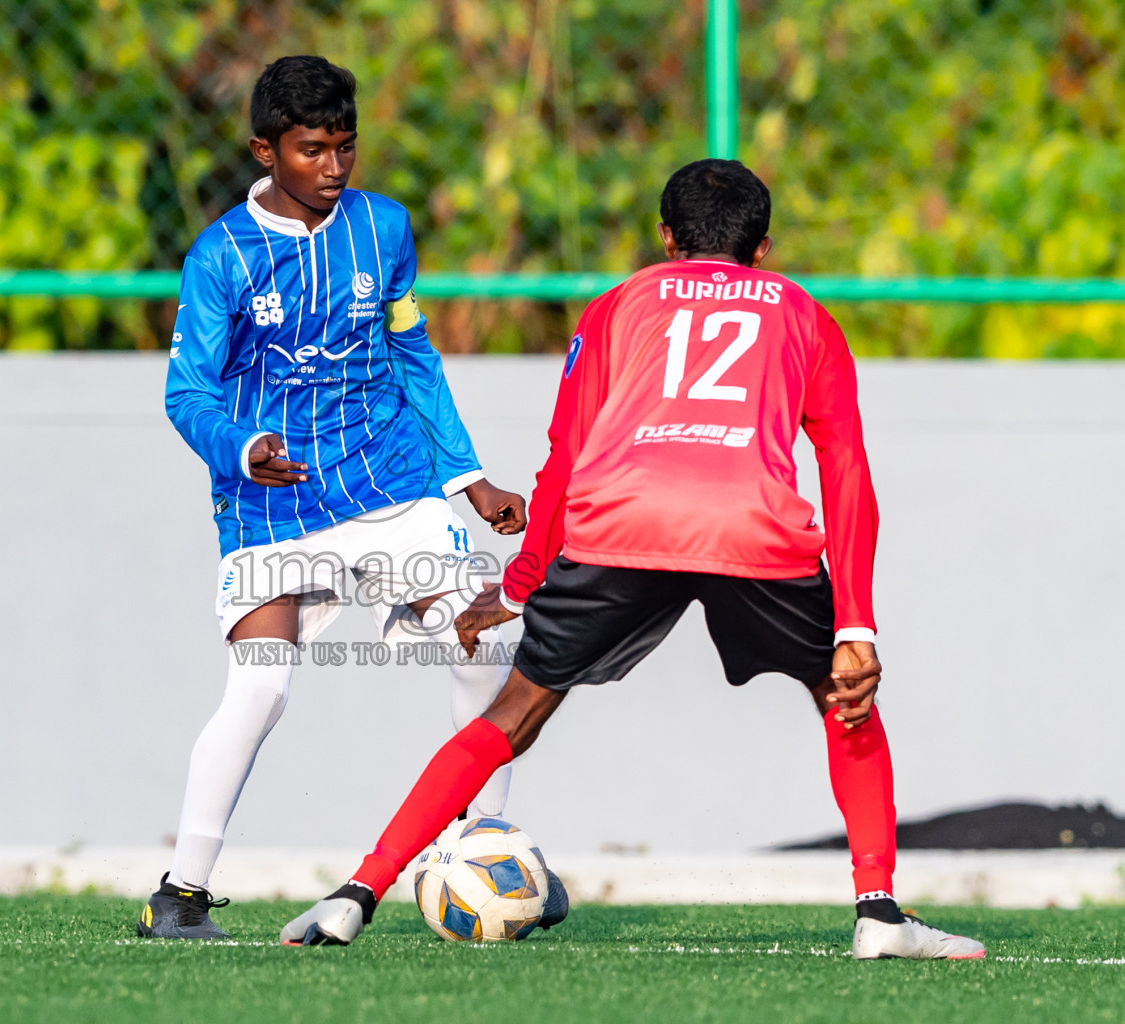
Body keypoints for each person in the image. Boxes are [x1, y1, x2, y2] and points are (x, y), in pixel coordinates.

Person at [280, 159, 986, 961]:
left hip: (620, 518)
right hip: (750, 525)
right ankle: (879, 915)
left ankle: (354, 895)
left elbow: (566, 454)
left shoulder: (617, 306)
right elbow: (846, 468)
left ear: (664, 238)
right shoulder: (806, 315)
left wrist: (517, 588)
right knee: (843, 697)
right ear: (763, 249)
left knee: (510, 716)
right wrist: (857, 625)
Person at [142, 55, 552, 939]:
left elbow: (413, 353)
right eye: (312, 150)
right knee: (260, 691)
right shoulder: (220, 256)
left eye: (346, 148)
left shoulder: (384, 229)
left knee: (485, 639)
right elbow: (187, 394)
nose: (333, 167)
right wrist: (242, 448)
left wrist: (466, 477)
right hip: (273, 505)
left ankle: (488, 843)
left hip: (389, 483)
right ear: (266, 150)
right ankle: (179, 895)